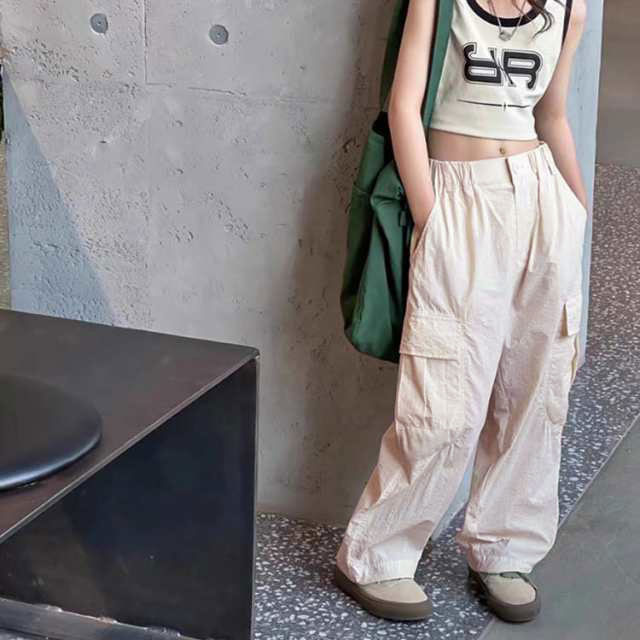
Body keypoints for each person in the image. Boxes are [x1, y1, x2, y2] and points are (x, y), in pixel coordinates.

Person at [334, 0, 588, 624]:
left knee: (536, 390)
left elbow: (552, 115)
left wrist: (578, 211)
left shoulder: (569, 8)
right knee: (443, 399)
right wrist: (432, 219)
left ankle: (505, 549)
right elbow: (404, 108)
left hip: (541, 200)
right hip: (457, 198)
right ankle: (375, 557)